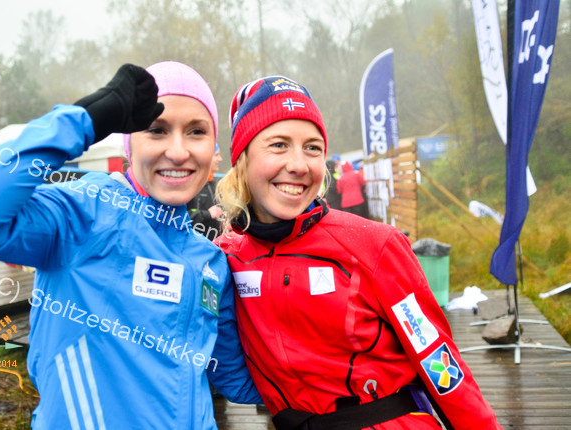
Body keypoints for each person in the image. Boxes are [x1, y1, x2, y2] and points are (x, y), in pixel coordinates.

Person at [0, 61, 261, 429]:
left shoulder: (210, 261)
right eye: (157, 130)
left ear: (213, 147)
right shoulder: (86, 211)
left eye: (196, 131)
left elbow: (235, 378)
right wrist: (82, 122)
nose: (179, 151)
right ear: (129, 144)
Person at [214, 75, 501, 429]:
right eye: (279, 145)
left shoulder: (375, 244)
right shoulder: (225, 258)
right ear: (242, 159)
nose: (299, 164)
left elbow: (437, 360)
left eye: (312, 147)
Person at [187, 143, 223, 241]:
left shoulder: (214, 183)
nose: (220, 159)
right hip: (194, 244)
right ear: (206, 157)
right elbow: (179, 217)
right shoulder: (190, 184)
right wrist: (208, 214)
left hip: (213, 244)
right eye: (216, 155)